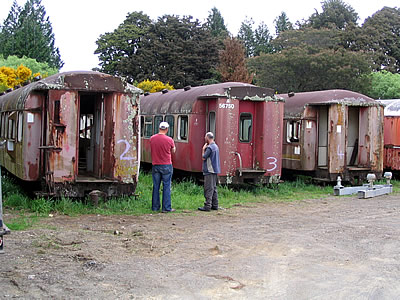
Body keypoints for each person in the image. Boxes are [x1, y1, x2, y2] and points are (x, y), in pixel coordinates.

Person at [150, 121, 176, 213]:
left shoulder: (152, 138)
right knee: (166, 186)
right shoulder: (169, 140)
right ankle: (166, 208)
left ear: (159, 128)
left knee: (156, 186)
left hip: (155, 165)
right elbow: (173, 151)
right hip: (166, 165)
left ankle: (155, 207)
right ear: (167, 129)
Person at [198, 132, 221, 212]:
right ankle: (215, 205)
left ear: (207, 138)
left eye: (205, 137)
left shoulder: (210, 148)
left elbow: (204, 157)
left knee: (208, 188)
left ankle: (207, 205)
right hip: (215, 169)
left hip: (209, 170)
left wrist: (203, 149)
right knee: (214, 188)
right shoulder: (216, 146)